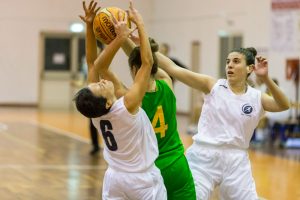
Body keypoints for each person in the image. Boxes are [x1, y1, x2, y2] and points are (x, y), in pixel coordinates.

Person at [156, 47, 290, 200]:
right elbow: (172, 68)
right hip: (204, 156)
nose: (229, 65)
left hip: (236, 160)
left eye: (236, 61)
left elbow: (284, 105)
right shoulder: (213, 86)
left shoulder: (257, 97)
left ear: (250, 68)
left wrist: (266, 78)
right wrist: (142, 44)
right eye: (228, 62)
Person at [75, 1, 166, 199]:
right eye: (100, 86)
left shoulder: (97, 116)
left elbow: (92, 63)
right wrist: (137, 26)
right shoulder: (128, 106)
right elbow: (147, 63)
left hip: (114, 179)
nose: (101, 82)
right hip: (142, 180)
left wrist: (90, 27)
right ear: (107, 102)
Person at [117, 36, 196, 199]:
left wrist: (119, 38)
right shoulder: (167, 82)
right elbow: (147, 62)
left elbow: (100, 69)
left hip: (150, 169)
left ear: (133, 69)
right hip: (178, 164)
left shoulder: (129, 99)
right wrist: (133, 41)